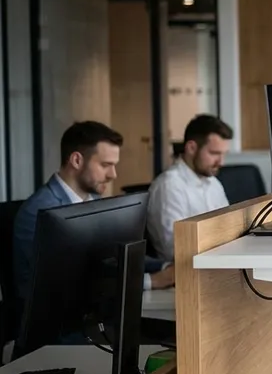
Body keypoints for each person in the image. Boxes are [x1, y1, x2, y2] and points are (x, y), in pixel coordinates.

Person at [12, 121, 174, 301]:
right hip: (60, 325)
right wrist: (150, 281)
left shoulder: (93, 200)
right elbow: (65, 286)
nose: (113, 175)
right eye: (105, 165)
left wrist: (165, 267)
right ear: (76, 160)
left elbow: (116, 255)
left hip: (94, 318)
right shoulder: (39, 212)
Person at [147, 114, 233, 260]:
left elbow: (229, 229)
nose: (221, 162)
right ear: (192, 148)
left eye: (224, 154)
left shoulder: (213, 182)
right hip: (185, 273)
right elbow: (175, 248)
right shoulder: (170, 185)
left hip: (215, 263)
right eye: (214, 153)